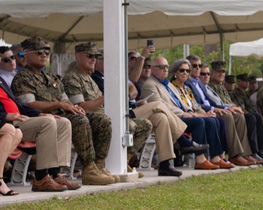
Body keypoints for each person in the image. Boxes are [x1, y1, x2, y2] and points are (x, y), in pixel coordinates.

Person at [12, 37, 117, 186]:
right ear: (27, 54)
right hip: (39, 118)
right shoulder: (23, 78)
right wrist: (60, 104)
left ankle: (95, 166)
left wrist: (74, 107)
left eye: (47, 52)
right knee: (79, 121)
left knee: (102, 120)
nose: (44, 55)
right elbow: (30, 104)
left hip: (61, 116)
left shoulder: (51, 77)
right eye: (40, 52)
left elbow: (65, 100)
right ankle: (88, 169)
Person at [62, 42, 153, 177]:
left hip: (103, 116)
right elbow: (81, 107)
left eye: (96, 56)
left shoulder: (88, 77)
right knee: (123, 124)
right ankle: (98, 167)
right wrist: (108, 95)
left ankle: (123, 161)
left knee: (145, 125)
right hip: (88, 118)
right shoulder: (72, 78)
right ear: (78, 57)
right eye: (90, 56)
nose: (93, 59)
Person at [140, 57, 228, 170]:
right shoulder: (150, 85)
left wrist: (192, 112)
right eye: (161, 67)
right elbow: (160, 106)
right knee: (199, 122)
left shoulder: (166, 84)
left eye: (166, 66)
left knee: (212, 120)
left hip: (179, 116)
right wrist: (188, 114)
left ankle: (215, 157)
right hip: (169, 119)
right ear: (152, 69)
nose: (165, 69)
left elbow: (183, 102)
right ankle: (200, 159)